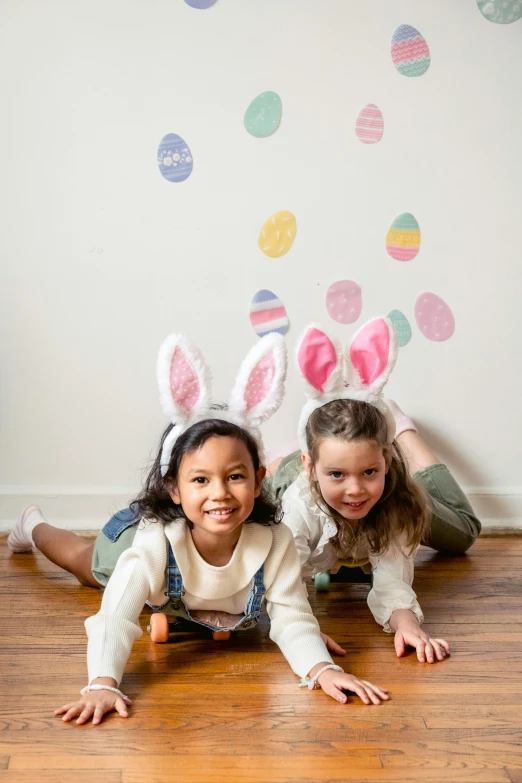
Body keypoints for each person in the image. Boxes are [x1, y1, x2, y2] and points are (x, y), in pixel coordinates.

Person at [8, 331, 388, 723]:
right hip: (128, 541)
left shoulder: (276, 542)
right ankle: (32, 524)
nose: (220, 494)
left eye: (235, 477)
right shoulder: (156, 541)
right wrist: (103, 684)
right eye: (201, 480)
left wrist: (321, 669)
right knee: (84, 565)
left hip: (197, 597)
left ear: (258, 481)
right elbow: (115, 617)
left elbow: (292, 615)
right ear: (173, 487)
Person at [273, 317, 461, 664]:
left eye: (369, 471)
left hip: (371, 480)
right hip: (298, 479)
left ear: (387, 461)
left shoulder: (396, 498)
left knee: (463, 534)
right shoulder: (297, 505)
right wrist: (304, 630)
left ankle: (406, 434)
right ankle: (285, 463)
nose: (356, 489)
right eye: (339, 474)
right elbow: (284, 582)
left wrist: (407, 623)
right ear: (311, 467)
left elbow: (392, 577)